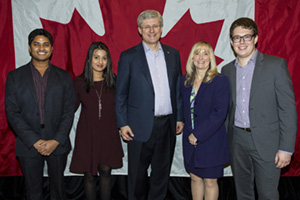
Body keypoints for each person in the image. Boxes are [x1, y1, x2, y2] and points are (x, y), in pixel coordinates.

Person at [221, 17, 297, 200]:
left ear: (255, 39)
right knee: (243, 193)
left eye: (246, 37)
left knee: (268, 195)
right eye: (237, 38)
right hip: (237, 141)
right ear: (231, 42)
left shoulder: (275, 65)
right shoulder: (226, 71)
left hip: (268, 143)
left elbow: (287, 109)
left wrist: (286, 148)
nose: (242, 42)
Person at [115, 9, 184, 200]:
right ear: (139, 30)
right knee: (137, 176)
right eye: (147, 27)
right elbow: (120, 94)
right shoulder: (128, 56)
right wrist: (122, 123)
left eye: (155, 26)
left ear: (161, 28)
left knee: (161, 176)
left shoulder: (173, 54)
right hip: (138, 126)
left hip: (168, 124)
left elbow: (177, 88)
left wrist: (179, 117)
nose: (151, 30)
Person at [5, 29, 75, 200]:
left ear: (51, 49)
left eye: (45, 44)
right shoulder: (14, 77)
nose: (41, 48)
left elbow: (68, 111)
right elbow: (12, 113)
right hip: (28, 144)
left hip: (57, 143)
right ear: (30, 48)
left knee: (58, 191)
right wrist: (35, 141)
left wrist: (56, 140)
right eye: (36, 44)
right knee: (33, 193)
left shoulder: (64, 77)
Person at [70, 41, 123, 200]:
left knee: (106, 171)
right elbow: (70, 108)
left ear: (108, 61)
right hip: (88, 134)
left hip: (109, 133)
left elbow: (122, 106)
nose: (100, 62)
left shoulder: (114, 81)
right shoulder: (79, 82)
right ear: (89, 59)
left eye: (104, 58)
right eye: (96, 57)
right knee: (89, 175)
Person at [181, 41, 230, 200]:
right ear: (192, 58)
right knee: (194, 178)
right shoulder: (184, 81)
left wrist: (198, 134)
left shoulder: (220, 80)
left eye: (205, 53)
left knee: (210, 181)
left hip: (211, 139)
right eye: (197, 53)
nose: (201, 57)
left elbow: (220, 113)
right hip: (189, 139)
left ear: (211, 58)